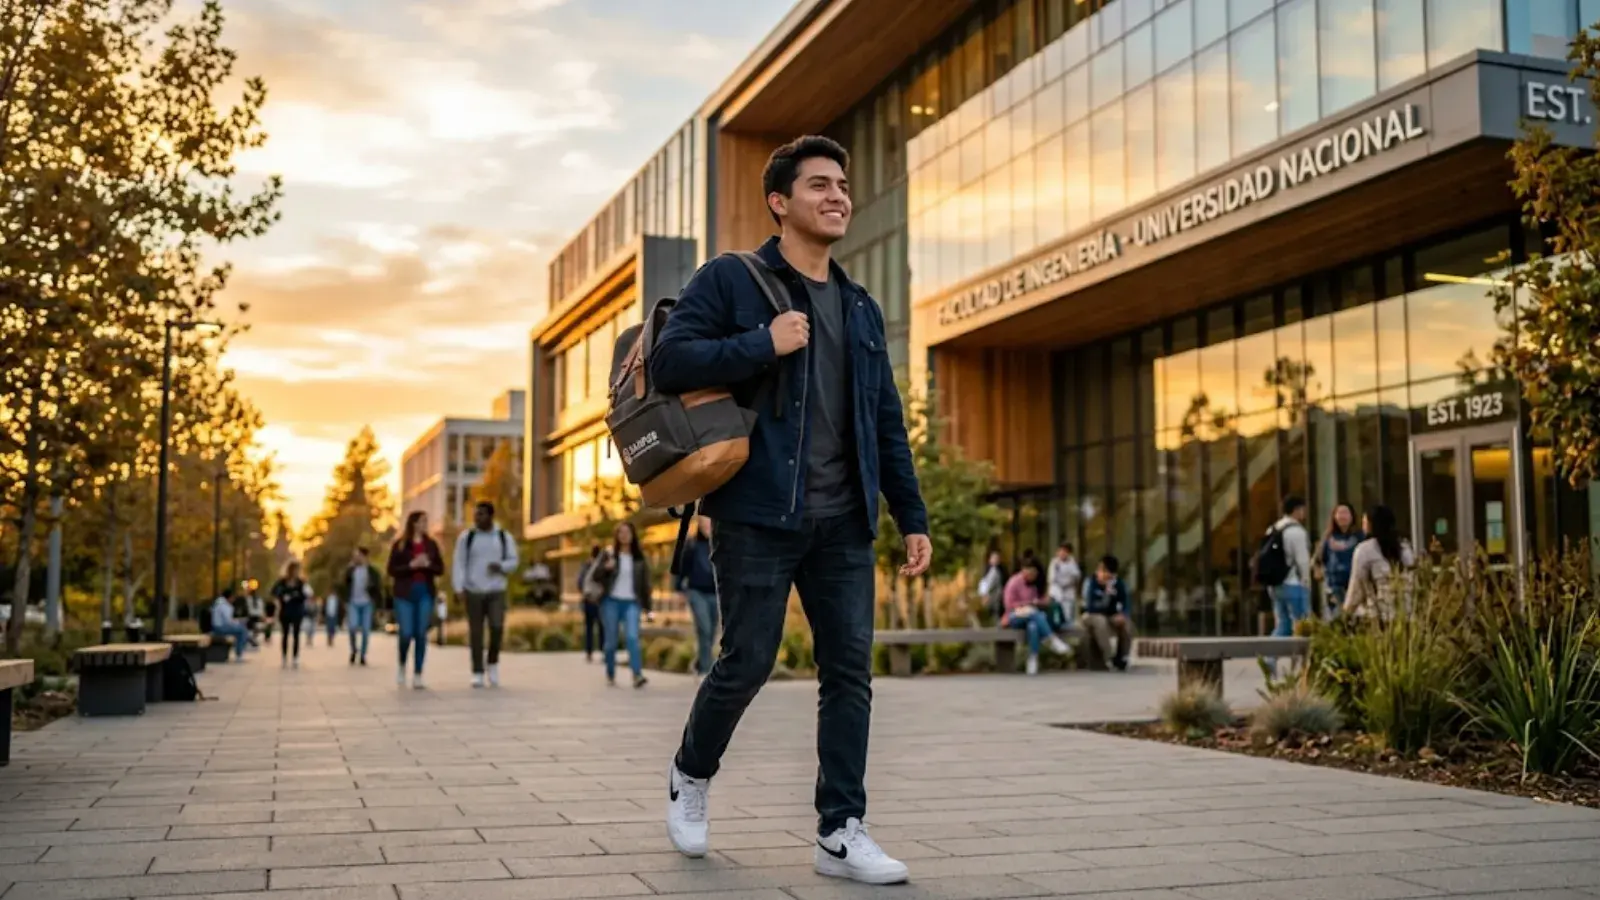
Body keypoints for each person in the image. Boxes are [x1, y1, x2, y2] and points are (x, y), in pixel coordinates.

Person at [651, 135, 930, 886]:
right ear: (780, 202)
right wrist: (760, 344)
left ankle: (839, 830)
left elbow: (885, 420)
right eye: (819, 185)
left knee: (849, 673)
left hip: (844, 522)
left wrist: (911, 516)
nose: (838, 196)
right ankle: (691, 771)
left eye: (843, 185)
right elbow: (670, 360)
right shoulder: (732, 279)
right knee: (747, 661)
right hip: (756, 512)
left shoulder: (861, 307)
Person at [453, 500, 519, 689]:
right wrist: (459, 587)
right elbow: (459, 563)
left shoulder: (503, 537)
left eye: (481, 514)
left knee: (497, 628)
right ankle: (477, 671)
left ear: (490, 516)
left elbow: (514, 561)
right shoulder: (467, 537)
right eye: (476, 514)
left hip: (496, 590)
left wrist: (501, 566)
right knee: (476, 632)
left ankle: (492, 662)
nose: (477, 518)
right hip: (474, 590)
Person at [586, 521, 651, 689]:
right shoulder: (608, 554)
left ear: (633, 535)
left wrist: (648, 609)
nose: (624, 535)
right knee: (611, 641)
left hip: (632, 603)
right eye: (620, 532)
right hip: (611, 601)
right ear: (616, 536)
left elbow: (645, 585)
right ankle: (610, 672)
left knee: (632, 637)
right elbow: (594, 575)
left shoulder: (639, 558)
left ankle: (637, 674)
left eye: (627, 532)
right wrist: (606, 568)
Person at [388, 510, 445, 689]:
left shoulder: (431, 545)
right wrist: (411, 566)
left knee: (421, 633)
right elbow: (391, 570)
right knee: (406, 633)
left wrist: (428, 565)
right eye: (421, 521)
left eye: (426, 521)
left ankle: (418, 673)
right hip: (404, 593)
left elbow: (440, 569)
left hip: (425, 592)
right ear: (413, 523)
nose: (424, 525)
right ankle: (402, 664)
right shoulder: (400, 545)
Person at [1344, 504, 1415, 621]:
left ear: (1371, 525)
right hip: (1407, 616)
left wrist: (1346, 613)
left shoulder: (1364, 550)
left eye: (1364, 521)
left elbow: (1356, 589)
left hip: (1379, 617)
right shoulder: (1405, 547)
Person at [1003, 559, 1071, 675]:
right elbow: (1009, 605)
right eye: (1030, 573)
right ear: (1024, 571)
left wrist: (1043, 602)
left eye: (1035, 574)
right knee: (1034, 613)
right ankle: (1051, 639)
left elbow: (1037, 601)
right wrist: (1027, 604)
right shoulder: (1014, 582)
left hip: (1032, 616)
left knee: (1033, 626)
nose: (1033, 577)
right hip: (1014, 616)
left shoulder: (1035, 585)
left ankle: (1032, 659)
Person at [676, 517, 719, 677]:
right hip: (696, 591)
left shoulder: (720, 543)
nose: (706, 526)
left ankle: (700, 662)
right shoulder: (692, 545)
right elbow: (682, 568)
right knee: (704, 628)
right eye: (703, 523)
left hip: (716, 593)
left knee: (712, 631)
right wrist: (679, 589)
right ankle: (706, 671)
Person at [1268, 496, 1314, 638]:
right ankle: (1303, 653)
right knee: (1303, 626)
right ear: (1296, 510)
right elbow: (1302, 561)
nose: (1304, 512)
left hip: (1275, 583)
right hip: (1294, 583)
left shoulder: (1273, 529)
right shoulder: (1297, 531)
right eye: (1303, 509)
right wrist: (1307, 582)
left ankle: (1271, 652)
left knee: (1283, 624)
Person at [1083, 555, 1133, 671]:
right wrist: (1106, 594)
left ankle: (1122, 656)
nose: (1099, 573)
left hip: (1111, 614)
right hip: (1092, 615)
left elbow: (1126, 602)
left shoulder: (1118, 583)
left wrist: (1123, 614)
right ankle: (1108, 656)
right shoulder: (1092, 583)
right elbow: (1090, 606)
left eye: (1103, 571)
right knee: (1101, 622)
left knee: (1126, 624)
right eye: (1099, 570)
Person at [1314, 503, 1362, 621]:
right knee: (1336, 618)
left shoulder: (1359, 536)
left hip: (1354, 585)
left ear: (1352, 516)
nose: (1342, 516)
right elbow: (1318, 559)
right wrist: (1319, 572)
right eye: (1339, 513)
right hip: (1334, 586)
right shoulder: (1328, 537)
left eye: (1345, 513)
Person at [341, 547, 383, 666]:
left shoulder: (372, 571)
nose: (355, 558)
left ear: (364, 556)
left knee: (365, 630)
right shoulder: (351, 570)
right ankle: (354, 650)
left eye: (358, 555)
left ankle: (363, 654)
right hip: (353, 603)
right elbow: (343, 585)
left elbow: (378, 588)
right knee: (352, 627)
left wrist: (377, 603)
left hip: (367, 603)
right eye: (354, 556)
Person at [270, 560, 312, 669]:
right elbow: (274, 592)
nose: (296, 572)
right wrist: (281, 597)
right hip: (285, 611)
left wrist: (296, 595)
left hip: (297, 610)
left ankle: (295, 657)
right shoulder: (282, 582)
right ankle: (284, 657)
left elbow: (307, 594)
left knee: (296, 634)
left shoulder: (301, 582)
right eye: (295, 569)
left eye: (298, 569)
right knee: (285, 634)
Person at [1047, 542, 1083, 630]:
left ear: (1069, 553)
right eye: (1060, 551)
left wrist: (1068, 582)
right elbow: (1051, 579)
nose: (1062, 553)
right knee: (1056, 615)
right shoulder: (1054, 562)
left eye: (1065, 551)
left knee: (1067, 617)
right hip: (1056, 593)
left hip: (1068, 593)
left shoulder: (1072, 562)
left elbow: (1076, 577)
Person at [577, 546, 602, 662]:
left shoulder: (586, 566)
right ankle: (603, 650)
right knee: (602, 627)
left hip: (588, 599)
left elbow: (579, 582)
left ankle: (589, 652)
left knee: (589, 627)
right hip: (600, 600)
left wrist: (584, 593)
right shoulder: (602, 566)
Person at [209, 590, 250, 660]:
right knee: (243, 630)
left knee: (240, 631)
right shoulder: (225, 606)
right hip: (220, 627)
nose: (234, 599)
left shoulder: (219, 603)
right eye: (233, 597)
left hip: (217, 626)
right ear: (229, 597)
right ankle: (239, 653)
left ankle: (240, 650)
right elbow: (228, 621)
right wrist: (238, 622)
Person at [977, 550, 1008, 622]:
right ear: (990, 559)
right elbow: (985, 584)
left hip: (996, 598)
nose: (996, 560)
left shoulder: (999, 571)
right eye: (994, 558)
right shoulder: (990, 570)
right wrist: (984, 595)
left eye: (997, 558)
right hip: (990, 598)